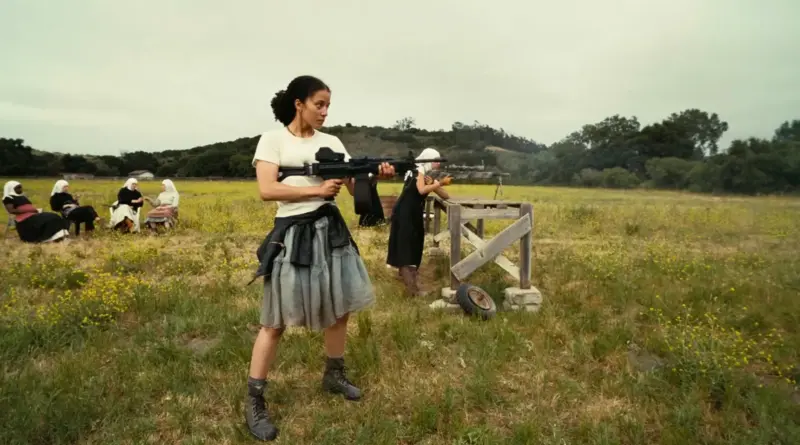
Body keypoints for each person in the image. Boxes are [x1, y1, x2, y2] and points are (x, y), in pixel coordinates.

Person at [245, 75, 396, 442]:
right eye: (319, 104)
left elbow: (351, 189)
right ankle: (254, 399)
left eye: (328, 105)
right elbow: (267, 190)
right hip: (293, 234)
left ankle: (333, 374)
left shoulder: (333, 143)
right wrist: (314, 190)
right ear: (299, 103)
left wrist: (371, 177)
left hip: (331, 231)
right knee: (275, 321)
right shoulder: (273, 140)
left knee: (340, 308)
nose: (325, 112)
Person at [386, 148, 451, 296]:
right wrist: (439, 183)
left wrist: (437, 185)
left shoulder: (425, 173)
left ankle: (412, 285)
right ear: (427, 159)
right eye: (435, 160)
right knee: (406, 249)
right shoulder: (418, 170)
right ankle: (412, 290)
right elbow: (421, 190)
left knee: (414, 246)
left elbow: (444, 195)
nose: (437, 164)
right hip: (405, 213)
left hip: (412, 212)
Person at [3, 181, 69, 243]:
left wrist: (35, 210)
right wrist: (31, 210)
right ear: (11, 188)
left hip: (33, 215)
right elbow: (11, 210)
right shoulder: (8, 198)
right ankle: (47, 238)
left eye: (20, 187)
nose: (21, 189)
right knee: (51, 218)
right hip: (24, 220)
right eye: (18, 188)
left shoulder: (22, 196)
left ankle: (58, 237)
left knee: (54, 216)